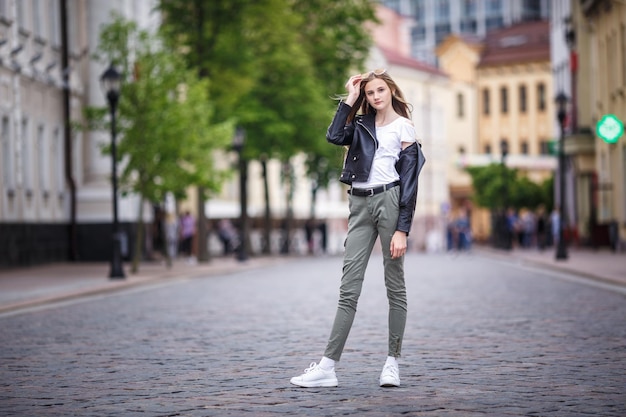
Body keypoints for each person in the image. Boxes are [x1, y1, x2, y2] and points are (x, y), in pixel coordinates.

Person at [290, 69, 424, 388]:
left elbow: (410, 183)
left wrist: (402, 229)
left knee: (395, 284)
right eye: (370, 93)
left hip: (390, 200)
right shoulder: (361, 125)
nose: (376, 97)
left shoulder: (404, 127)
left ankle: (392, 362)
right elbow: (334, 136)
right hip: (359, 204)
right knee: (348, 288)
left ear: (390, 90)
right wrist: (351, 97)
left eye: (380, 90)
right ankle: (327, 367)